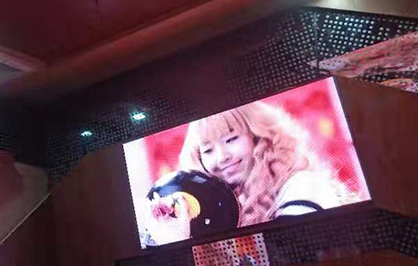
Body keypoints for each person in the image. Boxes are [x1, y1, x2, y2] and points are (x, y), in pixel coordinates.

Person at [145, 101, 346, 244]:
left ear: (258, 137)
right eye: (208, 150)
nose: (222, 157)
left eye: (231, 139)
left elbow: (293, 253)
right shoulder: (226, 207)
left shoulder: (303, 184)